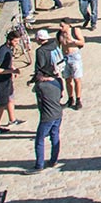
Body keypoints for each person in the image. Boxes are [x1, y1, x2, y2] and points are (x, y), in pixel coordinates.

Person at [31, 26, 67, 171]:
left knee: (39, 140)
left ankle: (39, 164)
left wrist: (37, 79)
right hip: (58, 112)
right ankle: (53, 160)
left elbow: (39, 68)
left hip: (47, 116)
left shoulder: (41, 86)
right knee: (55, 136)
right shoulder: (58, 82)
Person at [0, 29, 24, 135]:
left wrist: (12, 69)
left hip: (7, 79)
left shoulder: (9, 49)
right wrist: (11, 71)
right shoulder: (3, 51)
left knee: (10, 98)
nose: (17, 43)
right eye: (15, 41)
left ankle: (12, 119)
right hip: (1, 82)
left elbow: (7, 64)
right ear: (9, 40)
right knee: (1, 104)